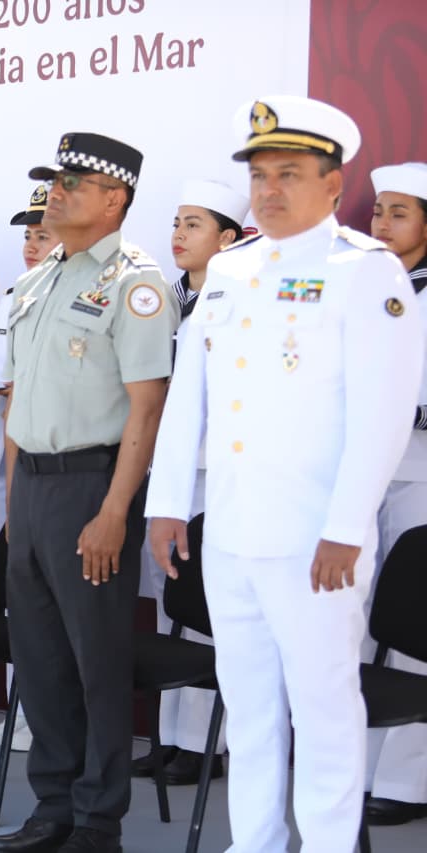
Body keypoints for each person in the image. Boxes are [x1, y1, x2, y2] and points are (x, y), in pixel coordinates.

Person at [147, 96, 422, 852]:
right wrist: (168, 504)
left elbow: (383, 417)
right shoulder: (232, 270)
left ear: (335, 186)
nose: (268, 190)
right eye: (261, 174)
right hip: (232, 535)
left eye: (290, 174)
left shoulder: (366, 274)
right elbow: (188, 399)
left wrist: (346, 527)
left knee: (325, 709)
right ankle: (256, 842)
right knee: (250, 707)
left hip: (314, 544)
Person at [0, 132, 178, 853]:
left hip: (93, 488)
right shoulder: (36, 280)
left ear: (113, 199)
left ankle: (99, 820)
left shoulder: (135, 283)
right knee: (39, 656)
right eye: (54, 178)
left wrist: (114, 510)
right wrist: (11, 502)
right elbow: (18, 400)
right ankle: (54, 805)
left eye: (73, 181)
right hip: (33, 491)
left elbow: (147, 407)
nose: (56, 191)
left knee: (95, 657)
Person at [133, 178, 248, 787]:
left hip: (217, 471)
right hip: (164, 471)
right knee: (167, 601)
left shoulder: (244, 298)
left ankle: (210, 744)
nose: (178, 234)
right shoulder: (162, 296)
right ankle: (171, 738)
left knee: (209, 609)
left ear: (228, 237)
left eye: (194, 225)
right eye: (176, 222)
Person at [0, 183, 57, 753]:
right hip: (1, 450)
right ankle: (19, 709)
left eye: (43, 233)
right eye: (27, 236)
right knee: (18, 584)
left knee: (48, 593)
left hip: (52, 461)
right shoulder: (11, 298)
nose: (32, 245)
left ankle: (46, 713)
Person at [363, 161, 427, 827]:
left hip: (420, 472)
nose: (382, 222)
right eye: (378, 210)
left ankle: (405, 779)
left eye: (399, 211)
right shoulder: (359, 285)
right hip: (360, 470)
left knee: (411, 623)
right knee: (351, 615)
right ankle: (350, 763)